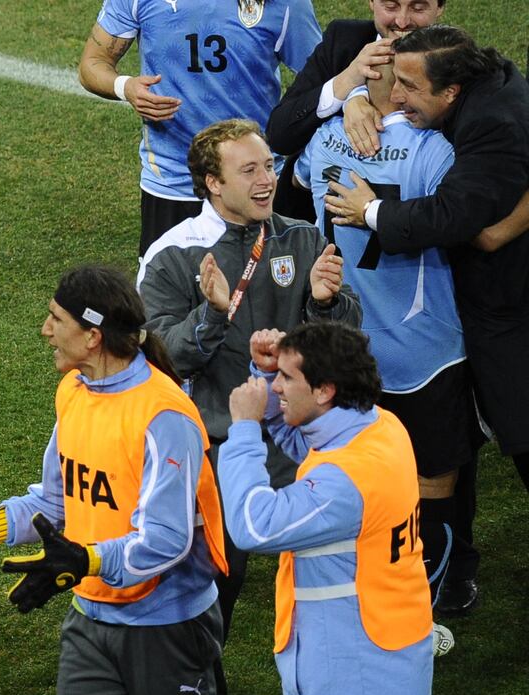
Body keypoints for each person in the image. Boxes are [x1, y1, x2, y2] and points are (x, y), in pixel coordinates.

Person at [0, 265, 230, 695]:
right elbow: (55, 502)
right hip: (91, 616)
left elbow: (166, 540)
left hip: (167, 626)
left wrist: (88, 560)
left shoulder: (164, 416)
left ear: (92, 337)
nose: (45, 330)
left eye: (56, 320)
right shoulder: (75, 392)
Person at [137, 118, 362, 640]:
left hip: (301, 435)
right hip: (216, 443)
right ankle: (200, 686)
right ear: (213, 183)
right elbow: (158, 359)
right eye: (249, 170)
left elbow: (346, 347)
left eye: (269, 166)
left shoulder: (302, 237)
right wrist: (212, 316)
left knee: (335, 561)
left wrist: (324, 304)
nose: (266, 180)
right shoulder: (173, 253)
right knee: (216, 581)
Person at [324, 26, 529, 502]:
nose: (395, 97)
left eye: (410, 87)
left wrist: (369, 211)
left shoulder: (491, 123)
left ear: (452, 90)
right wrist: (355, 94)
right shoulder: (489, 83)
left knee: (517, 420)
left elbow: (456, 219)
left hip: (508, 304)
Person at [295, 59, 470, 611]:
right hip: (426, 349)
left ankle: (359, 589)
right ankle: (428, 599)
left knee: (346, 473)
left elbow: (293, 166)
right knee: (433, 484)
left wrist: (346, 105)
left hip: (344, 345)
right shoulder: (437, 150)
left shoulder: (323, 140)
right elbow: (460, 219)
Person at [218, 322, 433, 695]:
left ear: (324, 389)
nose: (276, 388)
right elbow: (309, 443)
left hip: (356, 681)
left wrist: (245, 430)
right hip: (384, 654)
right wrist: (266, 375)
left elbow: (253, 525)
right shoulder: (379, 427)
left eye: (286, 378)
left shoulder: (344, 484)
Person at [77, 0, 321, 253]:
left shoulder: (286, 3)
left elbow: (322, 75)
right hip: (172, 181)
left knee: (262, 288)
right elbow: (92, 63)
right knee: (169, 288)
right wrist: (124, 87)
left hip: (254, 182)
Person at [266, 0, 447, 218]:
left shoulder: (455, 60)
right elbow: (280, 135)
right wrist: (347, 84)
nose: (402, 21)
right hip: (313, 229)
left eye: (418, 8)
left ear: (440, 7)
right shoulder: (343, 40)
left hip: (413, 226)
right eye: (391, 6)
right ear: (371, 2)